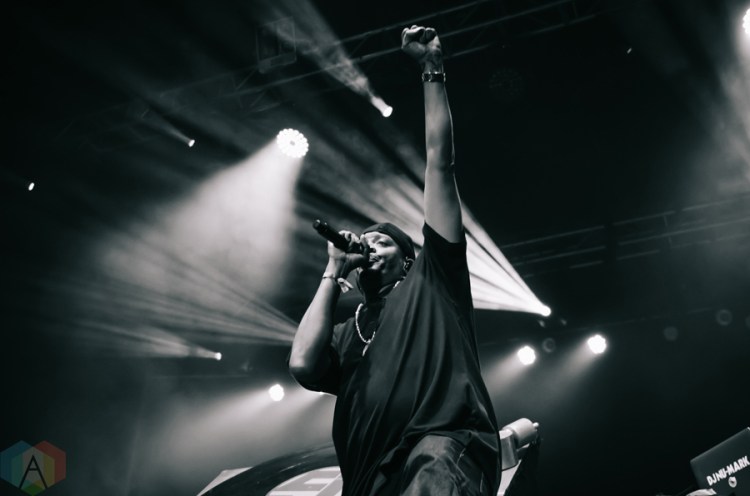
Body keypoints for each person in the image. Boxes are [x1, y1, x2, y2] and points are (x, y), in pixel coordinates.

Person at [289, 25, 501, 496]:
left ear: (408, 259)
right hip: (369, 478)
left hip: (443, 444)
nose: (367, 245)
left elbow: (439, 162)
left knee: (432, 470)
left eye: (381, 241)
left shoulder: (433, 279)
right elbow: (302, 364)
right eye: (363, 241)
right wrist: (332, 269)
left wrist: (432, 69)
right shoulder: (347, 331)